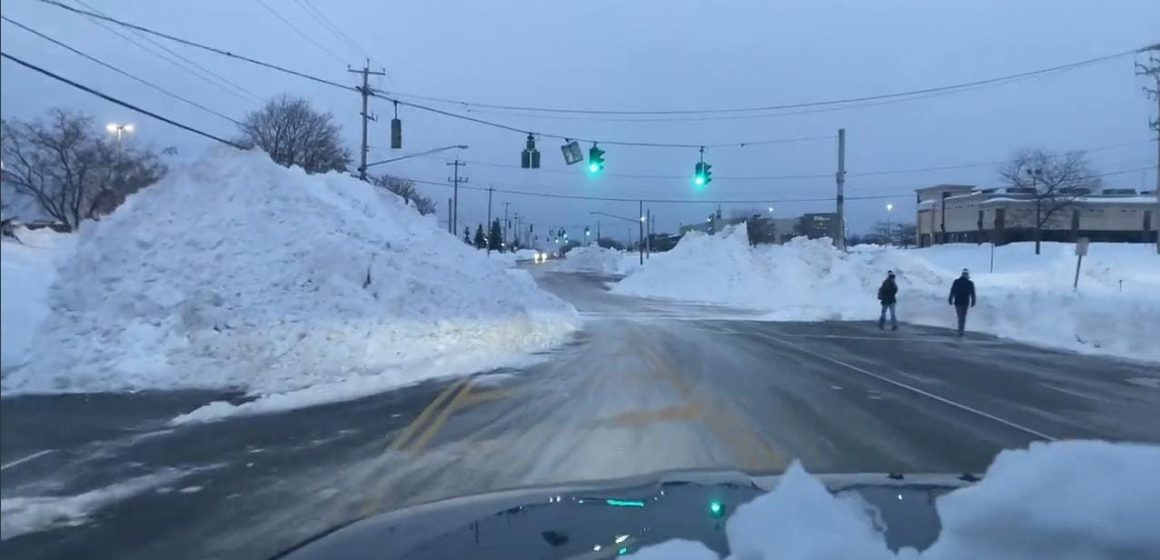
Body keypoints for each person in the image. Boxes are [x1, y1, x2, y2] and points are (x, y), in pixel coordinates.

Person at [948, 269, 976, 336]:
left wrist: (950, 298)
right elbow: (972, 293)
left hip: (958, 301)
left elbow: (952, 291)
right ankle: (961, 330)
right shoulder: (970, 283)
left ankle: (960, 329)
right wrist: (973, 301)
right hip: (964, 302)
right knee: (962, 316)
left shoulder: (957, 281)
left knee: (960, 315)